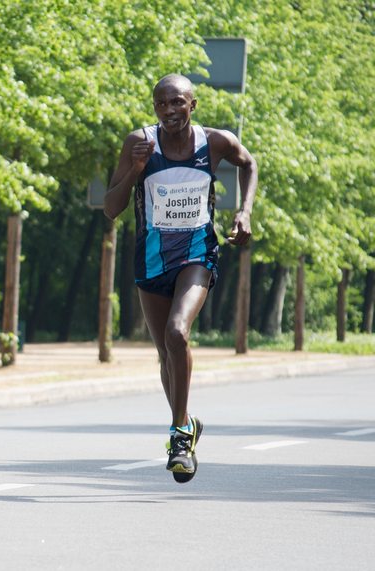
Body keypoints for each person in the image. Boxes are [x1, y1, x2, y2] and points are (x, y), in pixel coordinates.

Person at [104, 74, 257, 482]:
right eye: (161, 104)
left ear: (193, 105)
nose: (169, 111)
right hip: (151, 260)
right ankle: (187, 421)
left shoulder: (215, 142)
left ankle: (178, 436)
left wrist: (244, 212)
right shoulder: (139, 142)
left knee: (177, 333)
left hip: (197, 254)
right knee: (165, 357)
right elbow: (111, 207)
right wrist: (135, 168)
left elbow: (249, 163)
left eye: (177, 103)